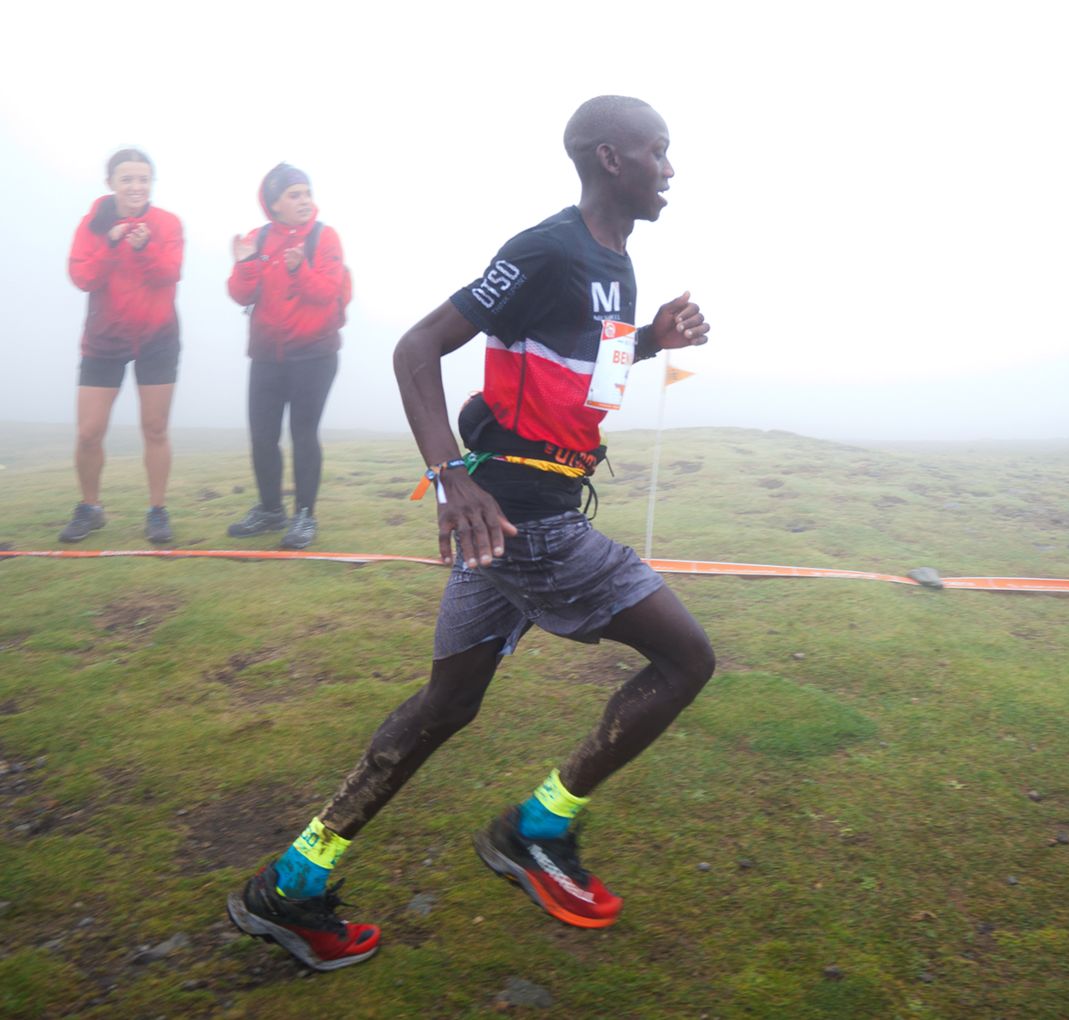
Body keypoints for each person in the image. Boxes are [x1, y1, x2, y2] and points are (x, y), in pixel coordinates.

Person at [227, 95, 714, 971]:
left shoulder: (616, 261)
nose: (671, 168)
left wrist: (648, 340)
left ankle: (292, 881)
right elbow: (416, 348)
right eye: (659, 150)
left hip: (514, 513)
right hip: (525, 518)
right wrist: (450, 477)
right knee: (687, 660)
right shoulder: (545, 249)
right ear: (611, 158)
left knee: (447, 705)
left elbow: (590, 376)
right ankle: (537, 829)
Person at [62, 148, 183, 544]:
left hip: (157, 338)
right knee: (88, 432)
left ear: (151, 183)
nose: (136, 186)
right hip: (104, 339)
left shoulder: (167, 223)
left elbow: (170, 273)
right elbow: (82, 277)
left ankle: (157, 511)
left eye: (143, 179)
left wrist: (144, 248)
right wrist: (111, 245)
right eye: (127, 179)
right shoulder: (93, 224)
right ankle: (90, 507)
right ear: (110, 183)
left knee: (155, 428)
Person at [226, 164, 345, 550]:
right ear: (273, 203)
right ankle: (270, 509)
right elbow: (241, 294)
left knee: (303, 433)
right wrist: (246, 263)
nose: (304, 201)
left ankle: (305, 515)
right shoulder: (258, 239)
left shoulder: (324, 237)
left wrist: (300, 270)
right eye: (294, 195)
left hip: (314, 354)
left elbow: (328, 291)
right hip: (266, 355)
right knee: (262, 436)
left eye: (307, 193)